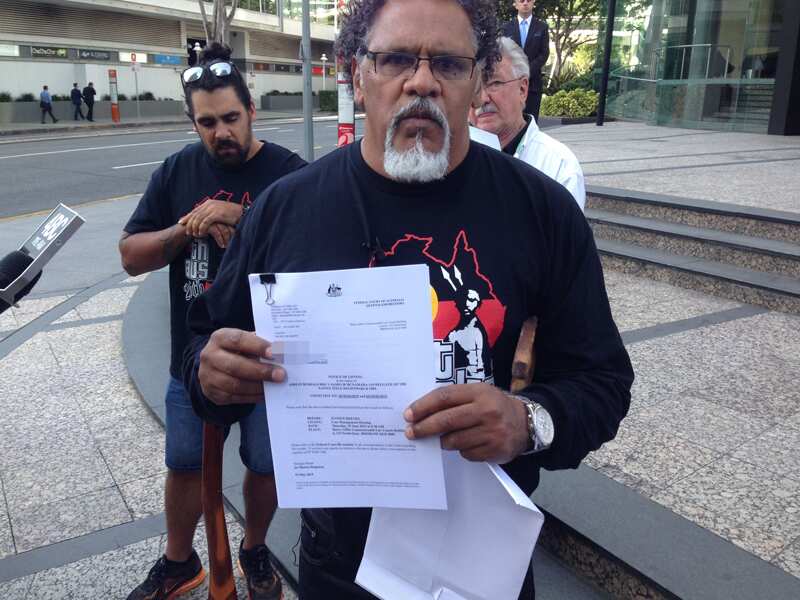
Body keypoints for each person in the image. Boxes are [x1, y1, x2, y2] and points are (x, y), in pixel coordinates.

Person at [183, 1, 633, 599]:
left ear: (476, 83)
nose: (421, 80)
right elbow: (202, 344)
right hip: (338, 561)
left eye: (447, 63)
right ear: (356, 76)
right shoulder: (286, 211)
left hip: (480, 562)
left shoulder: (541, 211)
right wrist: (209, 374)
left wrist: (528, 421)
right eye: (395, 58)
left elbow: (602, 381)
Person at [120, 42, 305, 600]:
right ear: (192, 122)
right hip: (192, 356)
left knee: (266, 464)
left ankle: (254, 549)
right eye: (207, 122)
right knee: (182, 464)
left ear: (252, 111)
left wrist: (241, 216)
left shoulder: (289, 173)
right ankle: (180, 564)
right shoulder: (177, 171)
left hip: (270, 359)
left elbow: (314, 250)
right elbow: (131, 255)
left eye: (230, 117)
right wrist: (186, 229)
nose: (220, 131)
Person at [471, 36, 585, 210]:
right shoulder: (451, 159)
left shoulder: (558, 166)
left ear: (523, 89)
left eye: (494, 83)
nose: (483, 99)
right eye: (475, 87)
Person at [502, 0, 549, 120]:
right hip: (511, 82)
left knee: (531, 121)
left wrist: (527, 71)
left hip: (533, 84)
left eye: (528, 0)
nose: (525, 3)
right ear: (515, 4)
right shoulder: (506, 28)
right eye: (521, 0)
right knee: (511, 122)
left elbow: (544, 54)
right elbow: (503, 53)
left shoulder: (542, 27)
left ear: (534, 3)